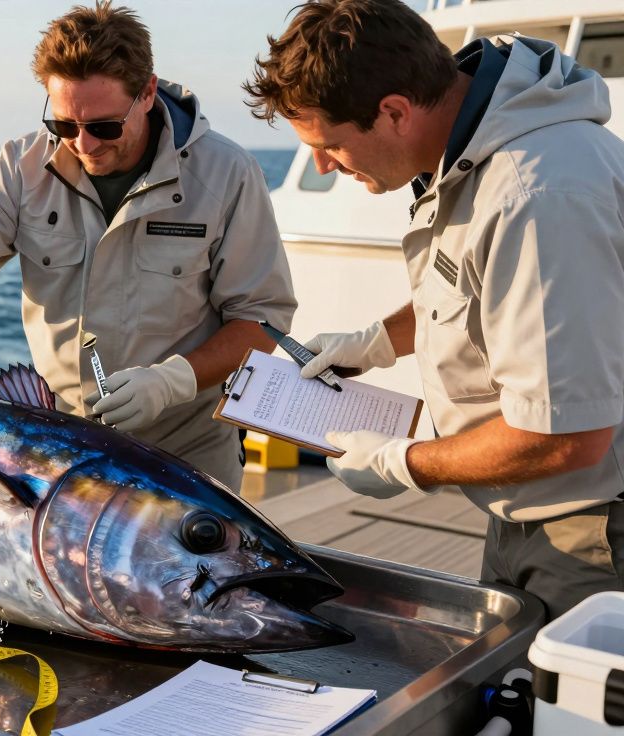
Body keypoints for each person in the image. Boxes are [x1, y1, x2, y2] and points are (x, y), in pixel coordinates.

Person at [244, 0, 624, 618]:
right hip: (527, 513)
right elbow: (480, 293)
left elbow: (568, 436)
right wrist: (376, 340)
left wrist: (404, 465)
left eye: (331, 144)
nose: (322, 165)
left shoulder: (536, 195)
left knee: (565, 712)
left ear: (394, 111)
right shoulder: (476, 152)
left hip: (590, 535)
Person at [0, 2, 296, 490]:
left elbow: (262, 321)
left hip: (187, 452)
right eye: (63, 125)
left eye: (104, 127)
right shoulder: (21, 166)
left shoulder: (228, 174)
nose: (83, 144)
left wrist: (173, 381)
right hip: (57, 449)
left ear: (146, 93)